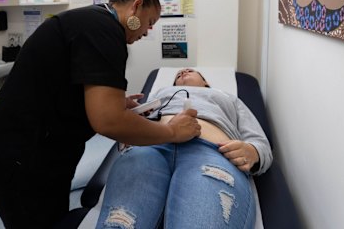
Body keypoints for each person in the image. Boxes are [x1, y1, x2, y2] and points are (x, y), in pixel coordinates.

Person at [0, 0, 202, 228]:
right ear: (136, 6)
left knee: (53, 218)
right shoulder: (103, 31)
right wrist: (171, 131)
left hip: (30, 150)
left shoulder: (91, 21)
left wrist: (117, 101)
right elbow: (109, 122)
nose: (148, 31)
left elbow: (68, 83)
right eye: (149, 22)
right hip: (18, 155)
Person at [95, 68, 273, 229]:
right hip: (149, 148)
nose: (182, 72)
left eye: (190, 71)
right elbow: (131, 126)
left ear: (206, 82)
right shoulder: (161, 95)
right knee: (120, 223)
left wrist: (253, 152)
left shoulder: (228, 98)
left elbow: (259, 141)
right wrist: (132, 124)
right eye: (177, 75)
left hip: (210, 153)